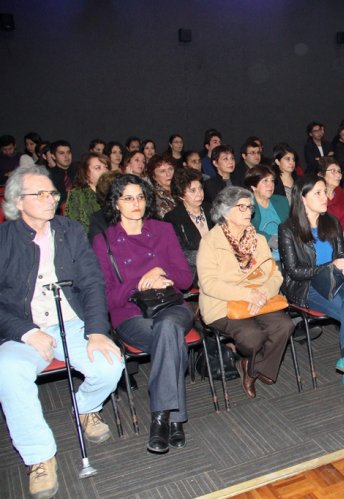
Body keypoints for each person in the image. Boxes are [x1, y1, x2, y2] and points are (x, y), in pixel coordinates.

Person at [0, 165, 123, 499]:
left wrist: (97, 330)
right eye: (39, 194)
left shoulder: (69, 230)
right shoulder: (4, 240)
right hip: (22, 330)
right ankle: (39, 457)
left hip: (71, 321)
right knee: (7, 371)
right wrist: (26, 332)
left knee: (111, 364)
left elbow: (93, 282)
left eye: (52, 193)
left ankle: (84, 407)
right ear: (17, 201)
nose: (50, 199)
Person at [92, 174, 194, 454]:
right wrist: (137, 283)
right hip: (130, 314)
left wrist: (162, 273)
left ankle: (159, 418)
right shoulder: (105, 241)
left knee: (168, 327)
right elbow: (108, 297)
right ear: (116, 203)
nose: (135, 203)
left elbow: (186, 279)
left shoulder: (163, 230)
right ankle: (174, 419)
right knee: (169, 336)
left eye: (140, 196)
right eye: (127, 197)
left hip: (172, 306)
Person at [279, 176, 344, 396]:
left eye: (325, 192)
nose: (325, 197)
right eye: (318, 193)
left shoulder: (331, 221)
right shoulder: (288, 229)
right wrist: (329, 266)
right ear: (302, 199)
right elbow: (293, 271)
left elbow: (341, 253)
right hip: (306, 286)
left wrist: (343, 265)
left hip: (336, 280)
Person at [196, 186, 294, 400]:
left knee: (284, 325)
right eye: (241, 207)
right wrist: (247, 295)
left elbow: (275, 274)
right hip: (223, 302)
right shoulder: (210, 242)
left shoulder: (257, 240)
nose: (248, 211)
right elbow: (209, 284)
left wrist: (262, 292)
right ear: (225, 211)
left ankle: (254, 368)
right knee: (252, 337)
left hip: (260, 297)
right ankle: (253, 361)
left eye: (249, 206)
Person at [164, 168, 213, 284]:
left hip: (218, 265)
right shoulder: (172, 218)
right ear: (181, 195)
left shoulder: (210, 208)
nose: (199, 194)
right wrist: (209, 257)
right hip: (194, 270)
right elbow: (179, 253)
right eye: (193, 190)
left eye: (200, 189)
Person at [246, 165, 290, 261]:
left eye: (272, 181)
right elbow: (248, 231)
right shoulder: (246, 206)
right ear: (253, 186)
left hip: (287, 251)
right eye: (265, 181)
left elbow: (292, 225)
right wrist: (272, 240)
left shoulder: (282, 201)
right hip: (262, 256)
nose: (270, 185)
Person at [65, 153, 110, 232]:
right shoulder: (77, 194)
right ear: (86, 172)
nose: (104, 172)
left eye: (106, 168)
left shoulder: (113, 191)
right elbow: (75, 227)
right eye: (98, 168)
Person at [317, 157, 344, 244]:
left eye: (339, 171)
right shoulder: (314, 198)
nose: (338, 175)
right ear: (320, 174)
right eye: (333, 171)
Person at [146, 155, 176, 219]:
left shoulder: (181, 189)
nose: (168, 174)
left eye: (170, 169)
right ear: (154, 177)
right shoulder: (154, 197)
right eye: (162, 171)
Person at [48, 140, 77, 207]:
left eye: (68, 152)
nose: (66, 156)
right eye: (61, 153)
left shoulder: (80, 172)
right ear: (53, 156)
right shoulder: (49, 176)